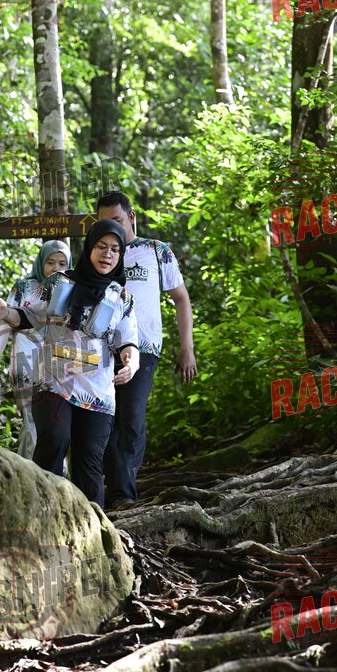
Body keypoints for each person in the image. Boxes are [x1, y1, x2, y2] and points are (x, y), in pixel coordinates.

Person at [0, 219, 139, 508]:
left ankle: (93, 526)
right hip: (53, 382)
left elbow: (128, 341)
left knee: (89, 461)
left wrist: (131, 362)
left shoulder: (122, 297)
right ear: (89, 248)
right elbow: (30, 316)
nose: (107, 254)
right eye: (101, 246)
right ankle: (40, 511)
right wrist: (7, 313)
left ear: (120, 255)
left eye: (115, 249)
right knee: (54, 440)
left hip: (97, 392)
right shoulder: (59, 283)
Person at [96, 191, 197, 507]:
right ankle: (107, 492)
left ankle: (123, 494)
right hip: (101, 349)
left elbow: (181, 298)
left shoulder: (156, 251)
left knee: (131, 417)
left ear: (132, 217)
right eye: (105, 223)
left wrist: (187, 347)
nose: (112, 228)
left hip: (144, 347)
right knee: (104, 418)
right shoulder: (99, 253)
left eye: (118, 220)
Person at [0, 240, 71, 459]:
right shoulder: (23, 288)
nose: (56, 268)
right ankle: (40, 474)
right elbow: (4, 327)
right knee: (32, 420)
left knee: (54, 423)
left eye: (62, 264)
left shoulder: (71, 289)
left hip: (58, 364)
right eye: (50, 262)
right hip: (25, 356)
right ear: (41, 262)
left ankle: (37, 470)